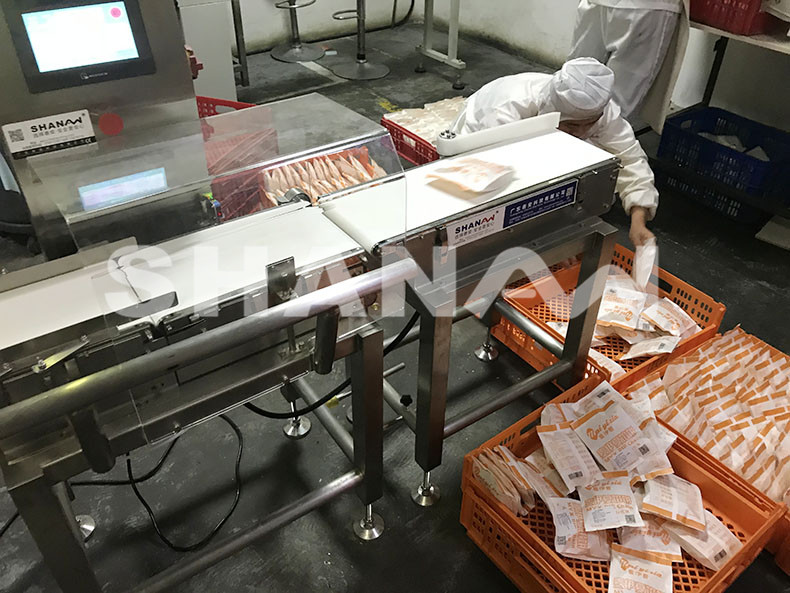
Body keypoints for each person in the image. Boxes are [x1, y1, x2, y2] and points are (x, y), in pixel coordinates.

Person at [449, 58, 657, 246]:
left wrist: (638, 219)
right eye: (572, 126)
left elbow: (630, 159)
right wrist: (547, 236)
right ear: (552, 113)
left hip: (542, 139)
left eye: (588, 124)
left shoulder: (601, 112)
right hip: (480, 142)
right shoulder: (504, 112)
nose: (581, 131)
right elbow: (508, 182)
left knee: (601, 164)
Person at [569, 0, 690, 130]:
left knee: (574, 84)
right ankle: (597, 139)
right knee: (618, 106)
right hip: (647, 8)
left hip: (598, 4)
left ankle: (565, 135)